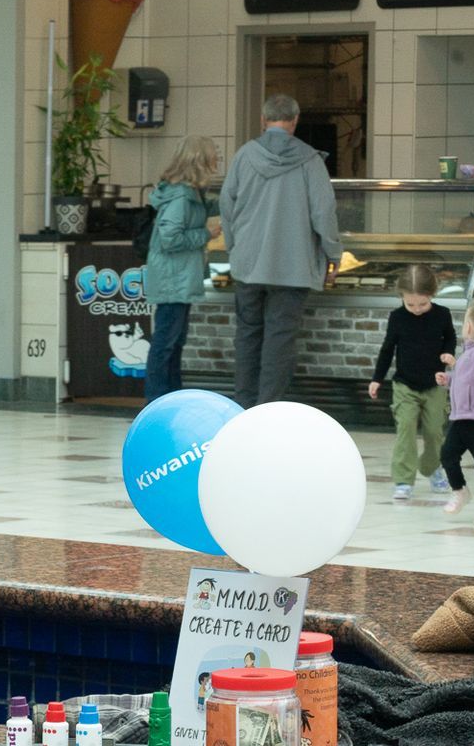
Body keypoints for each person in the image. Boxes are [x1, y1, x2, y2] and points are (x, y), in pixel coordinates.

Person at [220, 94, 343, 406]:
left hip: (248, 264)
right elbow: (323, 212)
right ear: (295, 120)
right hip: (293, 268)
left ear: (263, 120)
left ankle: (243, 405)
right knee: (280, 338)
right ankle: (269, 407)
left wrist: (235, 247)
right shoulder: (310, 160)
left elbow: (226, 204)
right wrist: (334, 254)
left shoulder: (244, 156)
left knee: (247, 335)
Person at [142, 136, 222, 404]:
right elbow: (170, 238)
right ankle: (157, 399)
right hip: (172, 280)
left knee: (174, 342)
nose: (216, 162)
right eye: (212, 157)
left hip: (177, 278)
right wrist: (205, 234)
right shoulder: (180, 197)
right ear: (200, 161)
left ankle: (171, 398)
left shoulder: (189, 194)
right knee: (166, 343)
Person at [368, 264, 455, 501]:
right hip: (404, 384)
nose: (416, 309)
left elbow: (450, 338)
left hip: (435, 384)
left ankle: (433, 467)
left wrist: (448, 355)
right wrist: (377, 379)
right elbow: (387, 349)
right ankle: (404, 480)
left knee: (434, 431)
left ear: (432, 295)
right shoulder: (397, 318)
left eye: (422, 304)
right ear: (402, 298)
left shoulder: (442, 314)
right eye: (410, 304)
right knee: (405, 429)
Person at [436, 295, 474, 524]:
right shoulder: (467, 353)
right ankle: (460, 490)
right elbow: (466, 380)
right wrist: (450, 378)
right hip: (461, 418)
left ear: (471, 327)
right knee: (447, 455)